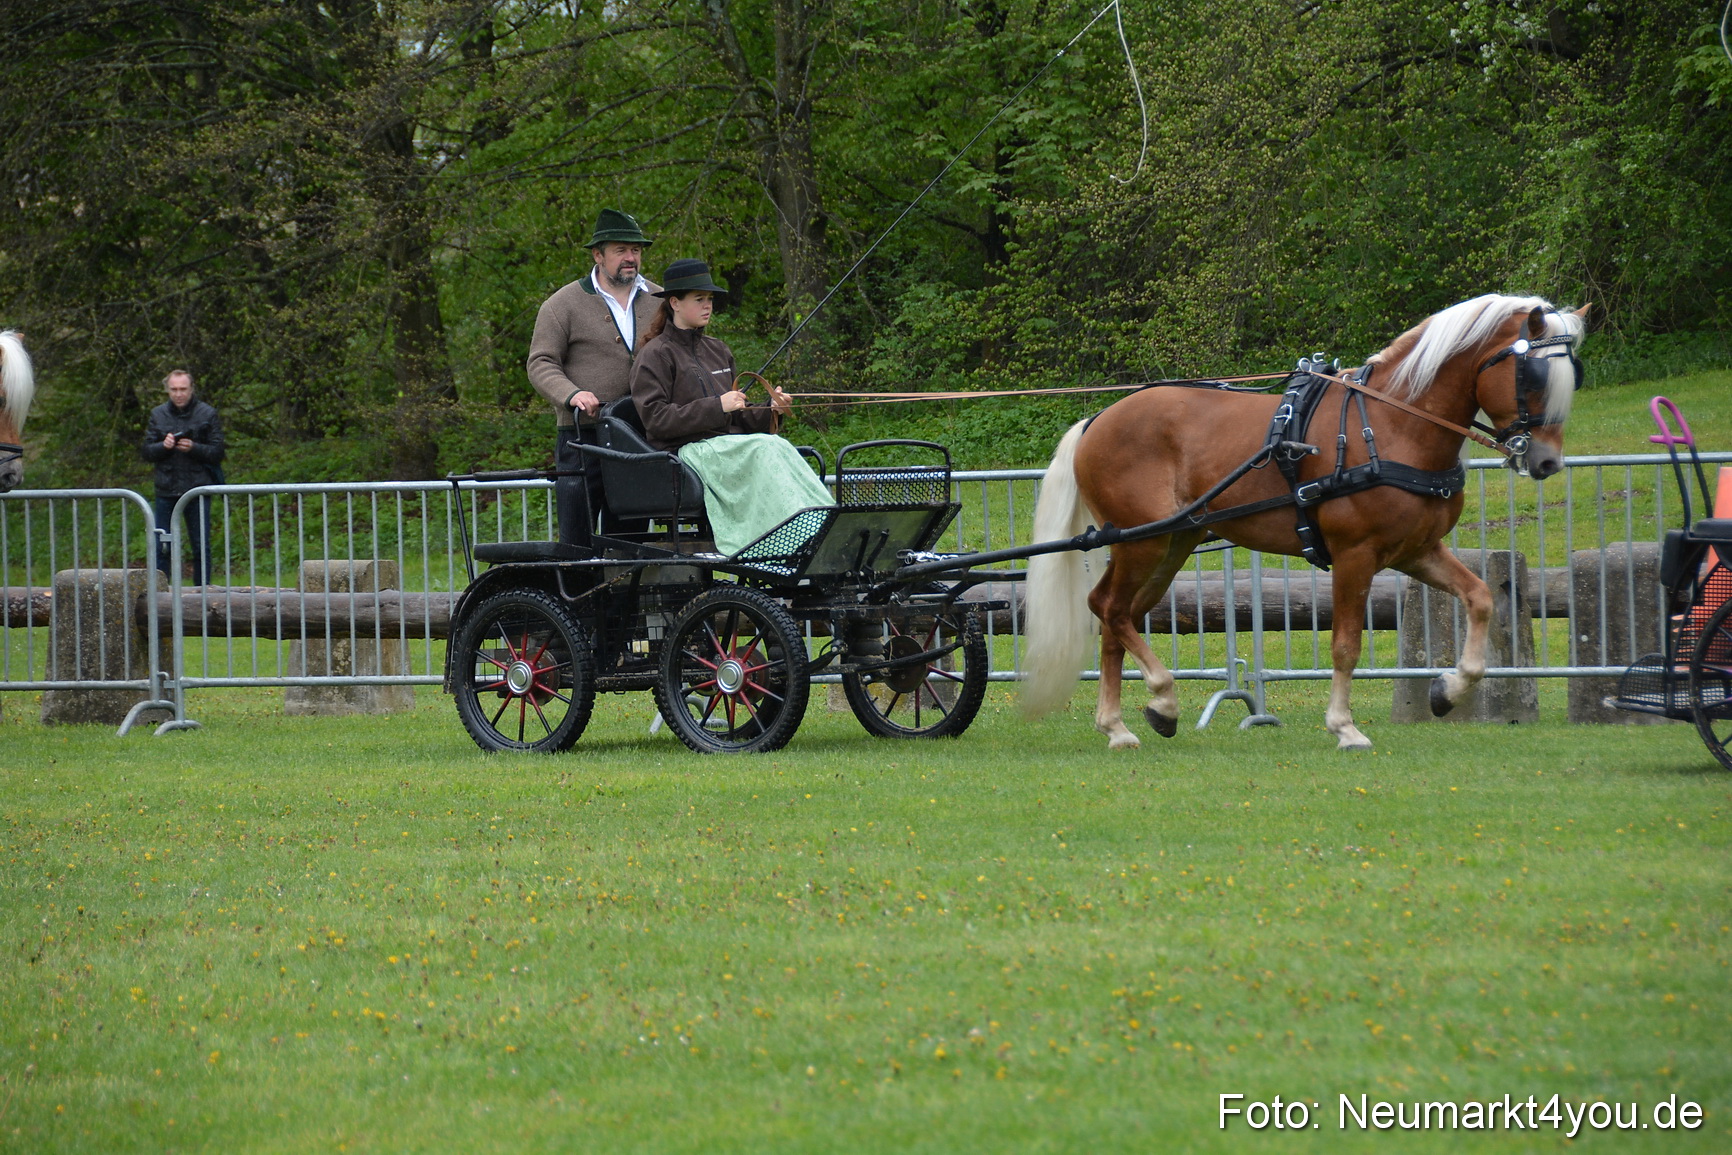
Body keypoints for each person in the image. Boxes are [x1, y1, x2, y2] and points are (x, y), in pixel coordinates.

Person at [629, 258, 832, 555]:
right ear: (674, 303)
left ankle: (824, 525)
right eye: (699, 299)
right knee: (764, 447)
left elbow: (739, 417)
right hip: (685, 454)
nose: (707, 306)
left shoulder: (718, 349)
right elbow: (656, 420)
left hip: (728, 447)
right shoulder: (654, 355)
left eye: (710, 299)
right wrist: (717, 406)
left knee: (777, 445)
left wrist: (770, 409)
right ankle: (785, 540)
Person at [526, 208, 661, 546]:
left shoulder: (661, 300)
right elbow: (541, 362)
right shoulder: (562, 304)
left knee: (630, 543)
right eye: (621, 250)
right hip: (582, 437)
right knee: (577, 542)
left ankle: (623, 583)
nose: (630, 258)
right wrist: (571, 394)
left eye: (636, 250)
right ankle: (578, 583)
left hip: (638, 436)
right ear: (598, 255)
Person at [141, 369, 225, 584]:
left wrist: (194, 448)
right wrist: (164, 446)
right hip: (166, 489)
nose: (179, 394)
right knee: (162, 546)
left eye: (183, 389)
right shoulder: (157, 414)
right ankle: (160, 593)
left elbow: (218, 452)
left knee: (201, 546)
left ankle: (203, 593)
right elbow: (147, 452)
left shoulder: (207, 413)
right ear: (167, 390)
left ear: (191, 389)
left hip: (198, 489)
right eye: (174, 390)